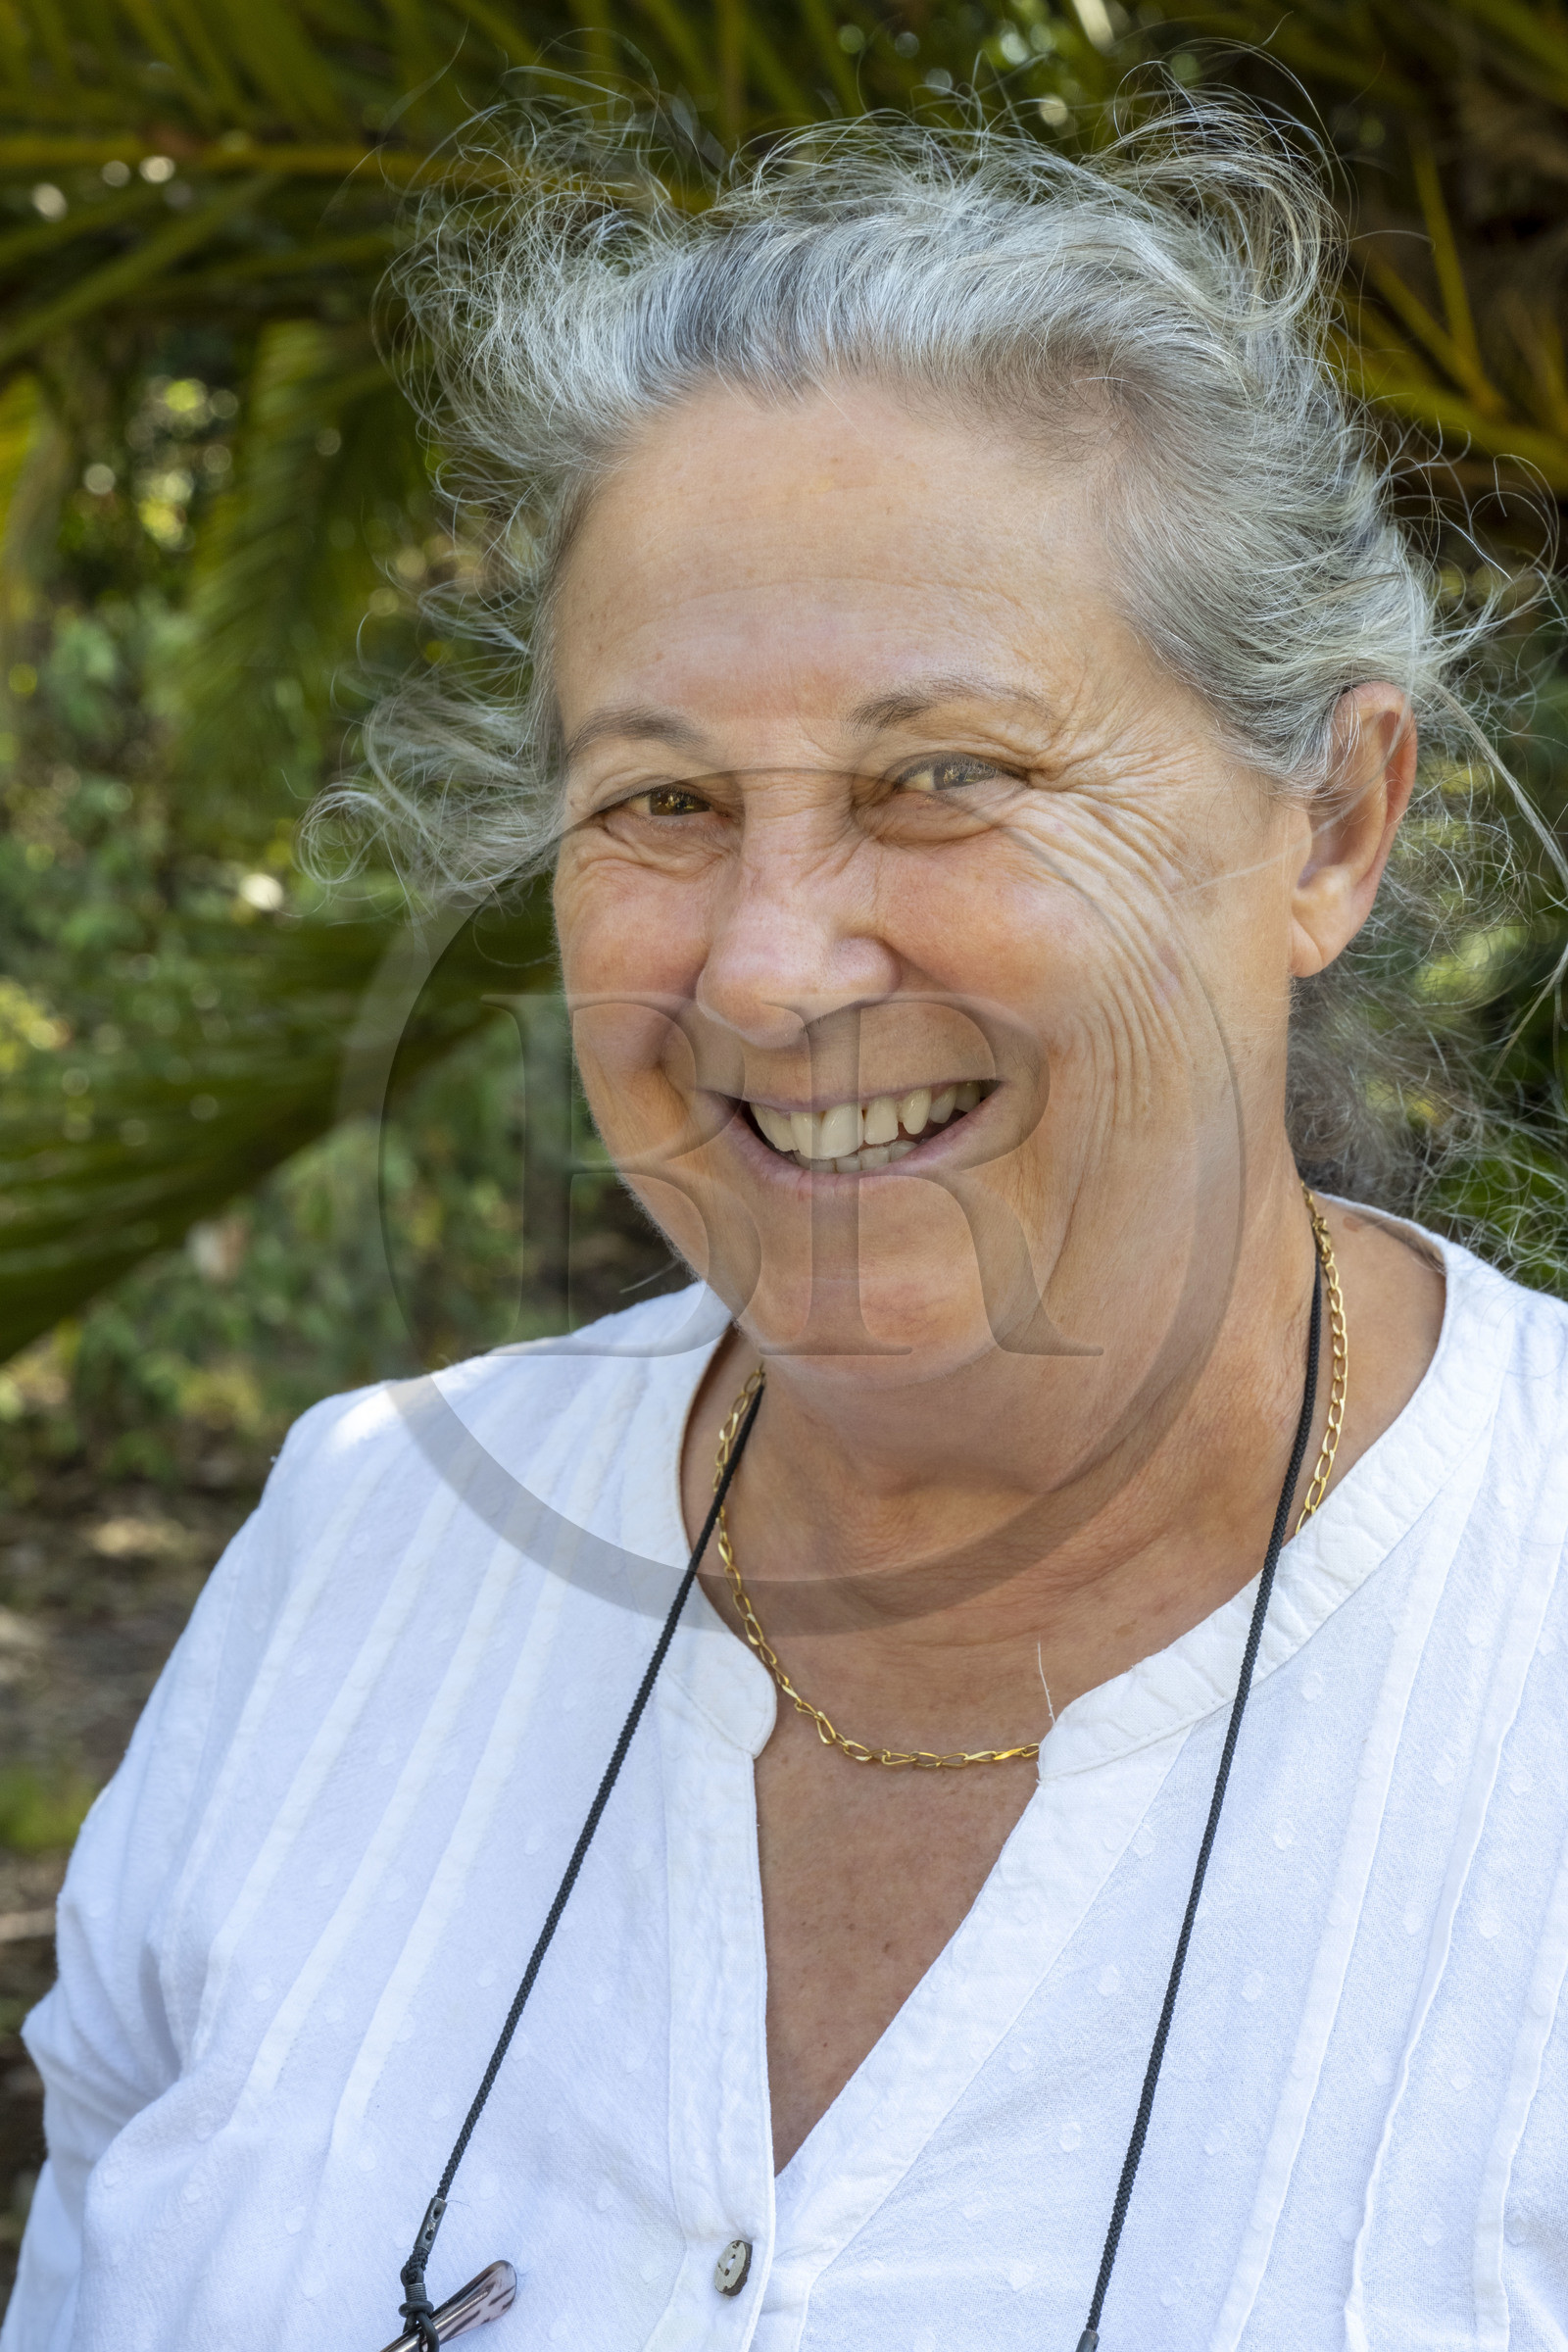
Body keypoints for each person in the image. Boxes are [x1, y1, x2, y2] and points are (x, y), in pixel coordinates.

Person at [6, 97, 1567, 2352]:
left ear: (1326, 821)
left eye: (943, 777)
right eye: (657, 801)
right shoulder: (362, 1554)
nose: (764, 968)